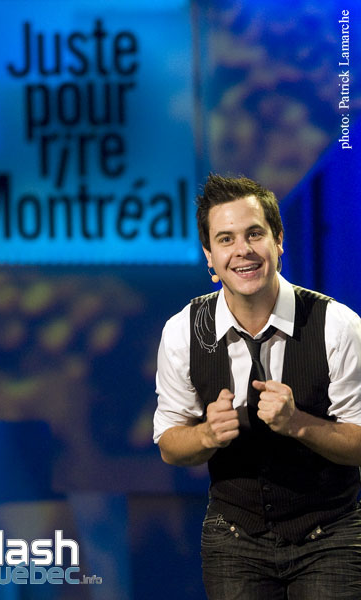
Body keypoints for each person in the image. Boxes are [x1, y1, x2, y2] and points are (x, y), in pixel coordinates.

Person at [153, 174, 361, 600]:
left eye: (254, 234)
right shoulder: (181, 331)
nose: (242, 250)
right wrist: (206, 435)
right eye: (225, 239)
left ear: (278, 241)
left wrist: (299, 423)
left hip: (331, 535)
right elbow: (170, 445)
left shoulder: (339, 326)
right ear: (209, 257)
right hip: (233, 539)